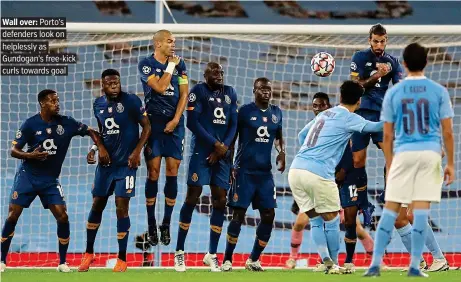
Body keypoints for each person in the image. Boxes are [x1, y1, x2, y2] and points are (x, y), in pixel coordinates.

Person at [364, 43, 455, 277]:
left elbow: (386, 133)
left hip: (406, 157)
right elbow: (446, 131)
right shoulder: (438, 91)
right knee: (405, 216)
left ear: (402, 65)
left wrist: (391, 164)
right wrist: (450, 162)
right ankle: (428, 261)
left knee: (403, 213)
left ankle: (435, 259)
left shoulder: (394, 92)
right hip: (430, 156)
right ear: (426, 62)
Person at [0, 89, 107, 273]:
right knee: (12, 216)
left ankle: (63, 262)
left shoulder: (67, 123)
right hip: (28, 176)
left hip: (50, 180)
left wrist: (95, 149)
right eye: (52, 101)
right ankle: (2, 260)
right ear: (42, 103)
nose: (57, 104)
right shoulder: (30, 124)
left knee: (63, 216)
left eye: (57, 100)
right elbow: (14, 150)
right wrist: (30, 155)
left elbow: (91, 131)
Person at [288, 80, 383, 274]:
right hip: (319, 173)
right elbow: (375, 128)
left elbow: (301, 136)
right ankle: (334, 264)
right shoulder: (349, 117)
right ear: (358, 102)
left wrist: (311, 154)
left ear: (340, 98)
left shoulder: (324, 114)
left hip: (296, 169)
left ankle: (325, 261)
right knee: (331, 221)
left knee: (314, 219)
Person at [78, 69, 151, 272]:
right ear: (102, 85)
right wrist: (96, 147)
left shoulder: (132, 101)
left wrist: (137, 152)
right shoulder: (98, 104)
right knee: (97, 205)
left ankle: (122, 258)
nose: (114, 85)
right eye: (109, 82)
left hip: (126, 166)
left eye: (116, 82)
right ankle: (88, 253)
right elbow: (102, 131)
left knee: (121, 207)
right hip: (105, 166)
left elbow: (146, 127)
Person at [174, 62, 238, 272]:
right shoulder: (197, 91)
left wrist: (224, 148)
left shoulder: (230, 93)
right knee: (193, 196)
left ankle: (211, 254)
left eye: (221, 72)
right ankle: (179, 252)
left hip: (222, 156)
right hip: (201, 153)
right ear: (205, 75)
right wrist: (215, 145)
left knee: (220, 200)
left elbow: (234, 124)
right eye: (214, 72)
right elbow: (192, 123)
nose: (219, 75)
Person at [222, 77, 285, 272]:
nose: (266, 92)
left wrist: (282, 152)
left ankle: (254, 259)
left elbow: (278, 138)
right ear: (254, 91)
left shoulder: (277, 113)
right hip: (244, 172)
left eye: (268, 89)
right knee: (238, 215)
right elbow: (232, 139)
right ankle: (227, 259)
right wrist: (230, 164)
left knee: (269, 215)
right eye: (262, 89)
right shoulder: (244, 112)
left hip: (265, 174)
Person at [138, 29, 189, 246]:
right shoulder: (146, 64)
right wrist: (170, 66)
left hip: (175, 124)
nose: (173, 44)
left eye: (174, 41)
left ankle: (166, 224)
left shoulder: (181, 64)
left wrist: (177, 119)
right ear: (158, 44)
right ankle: (151, 224)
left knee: (172, 171)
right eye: (169, 41)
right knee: (153, 172)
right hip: (154, 124)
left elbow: (184, 93)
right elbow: (159, 88)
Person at [349, 23, 403, 226]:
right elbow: (355, 87)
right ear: (369, 40)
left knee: (392, 156)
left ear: (386, 40)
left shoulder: (393, 62)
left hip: (383, 116)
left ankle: (387, 193)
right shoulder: (359, 58)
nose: (379, 44)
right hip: (361, 115)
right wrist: (377, 76)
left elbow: (398, 91)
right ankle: (364, 204)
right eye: (375, 41)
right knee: (357, 161)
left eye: (382, 41)